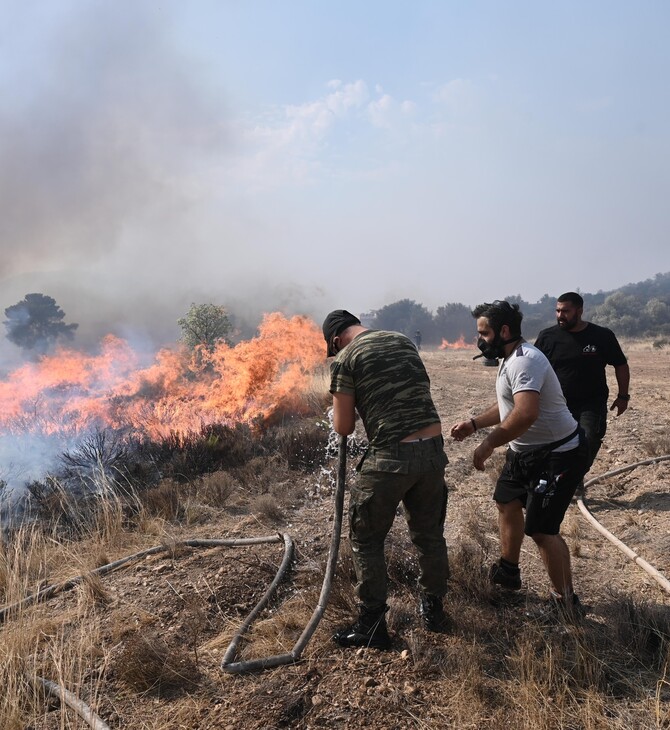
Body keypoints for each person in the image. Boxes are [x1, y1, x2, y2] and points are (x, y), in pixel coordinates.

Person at [450, 301, 589, 619]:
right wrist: (474, 424)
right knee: (506, 501)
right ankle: (509, 571)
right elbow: (508, 407)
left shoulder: (526, 361)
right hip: (525, 452)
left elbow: (526, 413)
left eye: (483, 333)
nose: (480, 340)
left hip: (558, 454)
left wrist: (487, 444)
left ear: (504, 331)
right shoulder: (509, 359)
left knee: (542, 530)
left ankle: (564, 602)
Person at [323, 309, 450, 649]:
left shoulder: (345, 358)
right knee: (429, 535)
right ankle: (435, 612)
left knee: (366, 539)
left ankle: (372, 625)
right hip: (434, 453)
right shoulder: (403, 341)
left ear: (336, 340)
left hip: (391, 457)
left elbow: (344, 427)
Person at [535, 292, 630, 481]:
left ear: (579, 311)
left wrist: (623, 396)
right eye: (558, 311)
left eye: (566, 311)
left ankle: (572, 480)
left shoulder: (601, 335)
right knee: (554, 444)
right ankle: (556, 479)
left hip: (591, 403)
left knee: (589, 440)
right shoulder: (547, 337)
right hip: (557, 403)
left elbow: (620, 365)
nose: (560, 315)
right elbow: (533, 368)